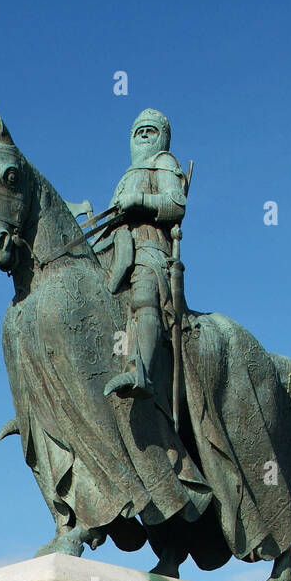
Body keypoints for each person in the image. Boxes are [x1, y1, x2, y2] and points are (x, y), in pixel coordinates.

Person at [95, 109, 188, 405]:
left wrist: (141, 201)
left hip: (150, 247)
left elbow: (176, 204)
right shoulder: (126, 175)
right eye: (140, 131)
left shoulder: (164, 163)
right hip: (117, 248)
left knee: (144, 290)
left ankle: (141, 372)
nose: (145, 136)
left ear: (163, 137)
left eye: (151, 130)